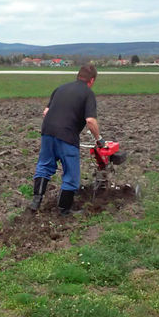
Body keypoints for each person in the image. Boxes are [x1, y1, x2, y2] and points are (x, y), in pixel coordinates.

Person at [29, 64, 103, 215]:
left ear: (78, 76)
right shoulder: (88, 94)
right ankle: (64, 210)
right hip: (67, 135)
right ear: (92, 80)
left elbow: (46, 112)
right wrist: (99, 139)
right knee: (71, 173)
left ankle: (36, 201)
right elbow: (90, 121)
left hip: (48, 131)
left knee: (45, 165)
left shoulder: (61, 88)